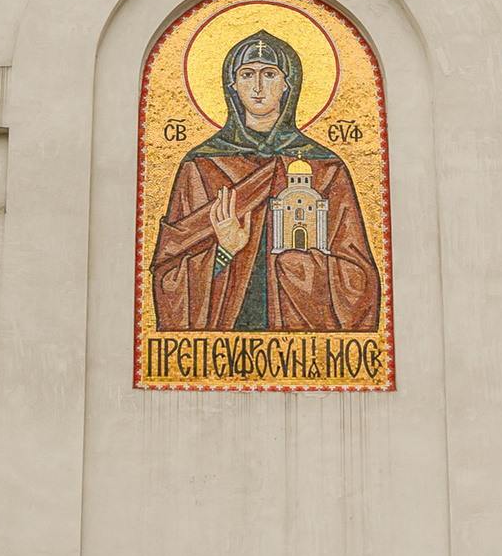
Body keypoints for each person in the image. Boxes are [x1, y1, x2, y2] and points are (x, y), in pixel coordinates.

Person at [150, 29, 381, 336]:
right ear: (232, 84)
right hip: (222, 342)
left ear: (289, 84)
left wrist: (297, 265)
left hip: (302, 346)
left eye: (269, 74)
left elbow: (360, 281)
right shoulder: (201, 165)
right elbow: (169, 276)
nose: (257, 87)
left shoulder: (325, 168)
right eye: (247, 74)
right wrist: (224, 252)